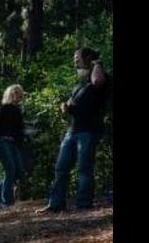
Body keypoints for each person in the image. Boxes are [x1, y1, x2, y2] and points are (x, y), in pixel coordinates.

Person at [37, 47, 108, 214]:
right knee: (61, 167)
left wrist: (97, 63)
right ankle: (56, 204)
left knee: (84, 168)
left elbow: (98, 81)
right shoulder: (79, 84)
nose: (75, 61)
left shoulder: (99, 77)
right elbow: (71, 101)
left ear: (89, 58)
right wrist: (65, 106)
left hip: (88, 131)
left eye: (77, 58)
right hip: (72, 131)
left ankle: (83, 205)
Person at [0, 84, 26, 208]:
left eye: (20, 93)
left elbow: (19, 130)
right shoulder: (4, 109)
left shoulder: (18, 110)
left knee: (18, 171)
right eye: (16, 93)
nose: (18, 96)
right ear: (11, 94)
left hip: (13, 143)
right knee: (10, 170)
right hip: (2, 142)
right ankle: (7, 202)